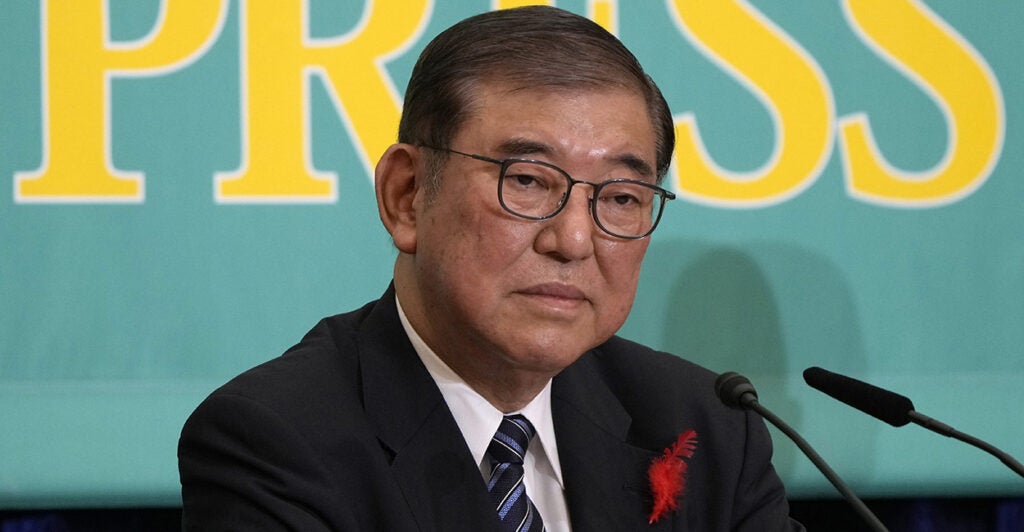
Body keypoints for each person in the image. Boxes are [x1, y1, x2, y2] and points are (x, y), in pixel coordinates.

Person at [178, 6, 804, 531]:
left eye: (620, 197)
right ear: (406, 195)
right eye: (527, 181)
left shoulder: (707, 430)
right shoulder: (276, 442)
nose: (574, 240)